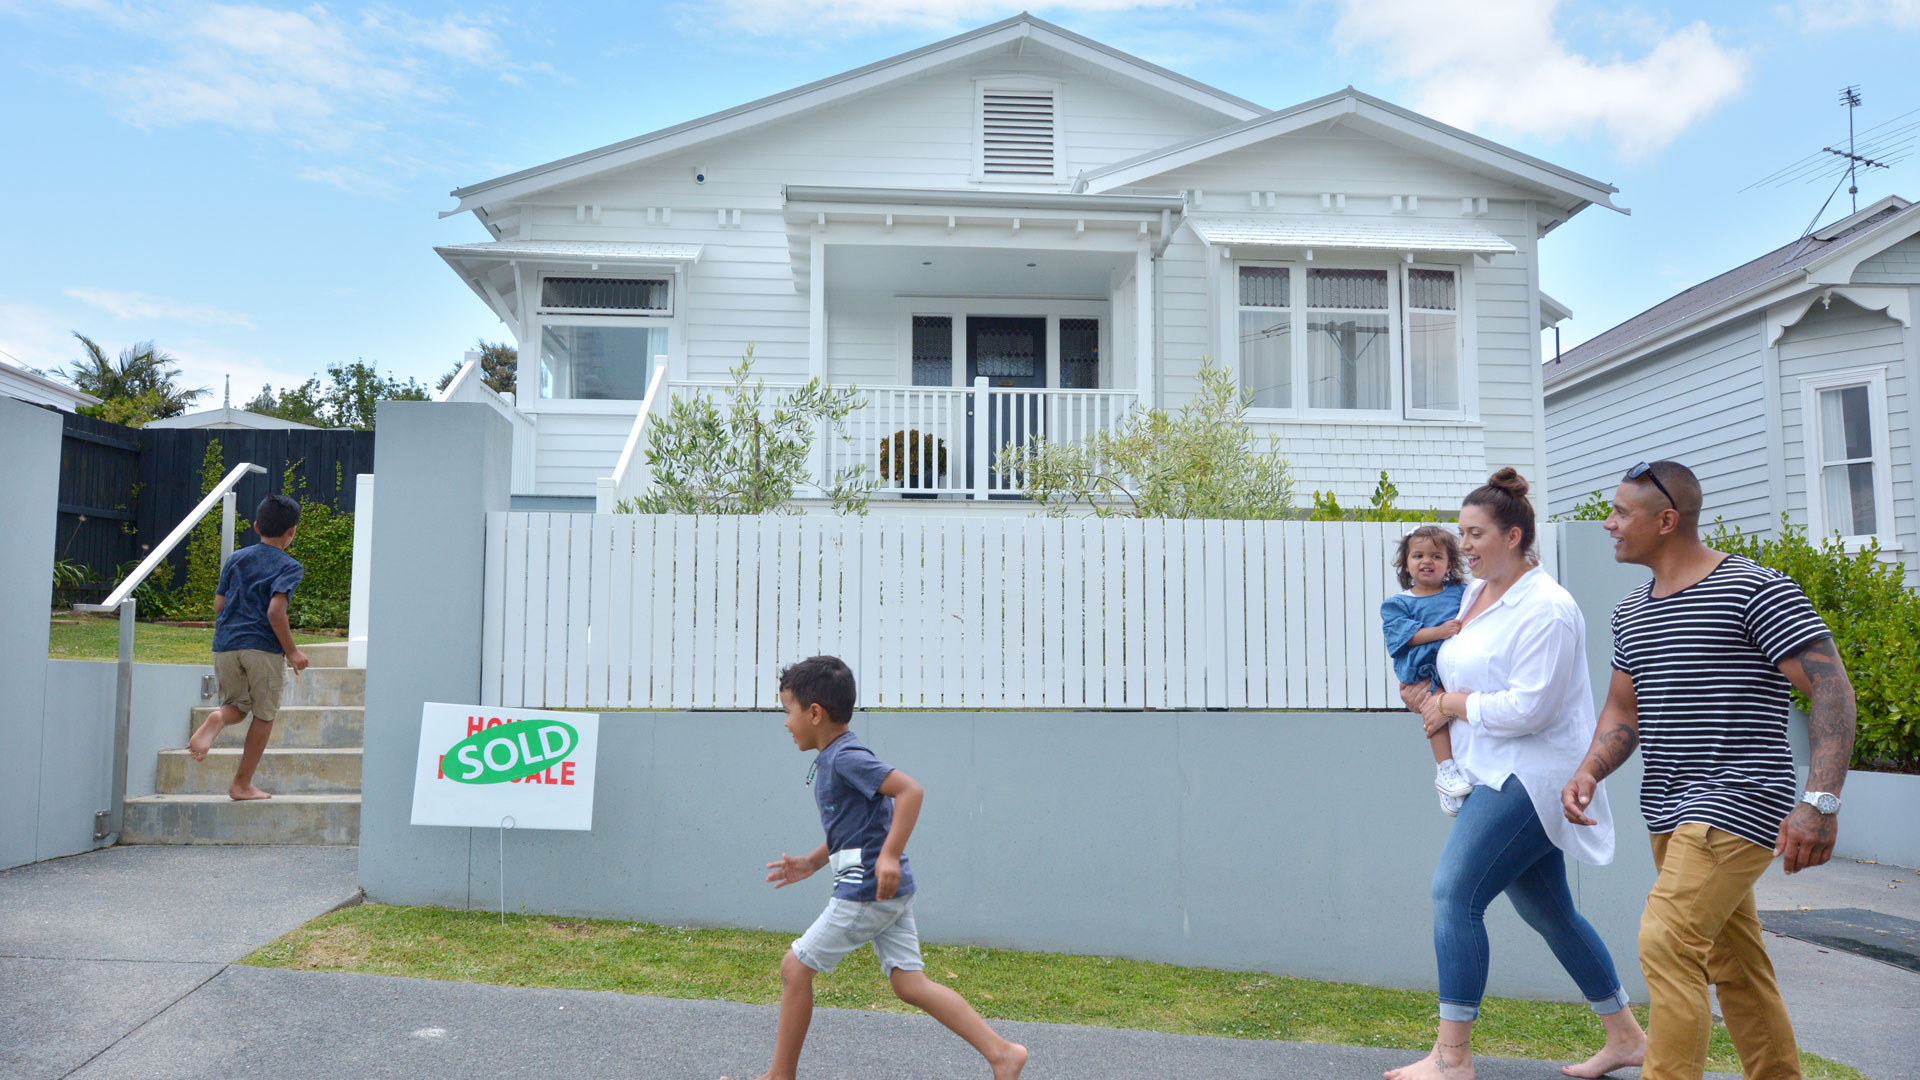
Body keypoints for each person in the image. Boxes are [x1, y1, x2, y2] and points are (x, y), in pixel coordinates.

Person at [1561, 460, 1855, 1080]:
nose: (1607, 523)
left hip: (1738, 799)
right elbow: (1623, 707)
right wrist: (1591, 769)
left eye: (1620, 512)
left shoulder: (1756, 589)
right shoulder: (1631, 611)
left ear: (1667, 521)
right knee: (1736, 964)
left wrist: (1820, 802)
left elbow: (1831, 689)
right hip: (1667, 807)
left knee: (1666, 941)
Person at [1389, 469, 1647, 1080]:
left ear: (1513, 534)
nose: (1464, 546)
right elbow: (1451, 664)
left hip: (1532, 778)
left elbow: (1531, 708)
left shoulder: (1548, 609)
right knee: (1549, 912)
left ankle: (1452, 1058)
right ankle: (1627, 1037)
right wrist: (1426, 696)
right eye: (1462, 534)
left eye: (1475, 535)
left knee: (1454, 895)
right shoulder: (1477, 598)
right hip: (1493, 770)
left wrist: (1450, 705)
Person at [723, 656, 1027, 1080]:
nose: (785, 722)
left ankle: (779, 1077)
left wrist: (887, 855)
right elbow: (853, 826)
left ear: (814, 713)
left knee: (794, 968)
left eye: (787, 711)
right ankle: (1002, 1053)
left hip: (866, 890)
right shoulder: (834, 758)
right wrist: (812, 862)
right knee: (909, 984)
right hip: (890, 892)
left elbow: (910, 790)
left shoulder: (845, 756)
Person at [186, 493, 310, 800]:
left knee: (236, 707)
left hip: (225, 645)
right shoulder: (290, 566)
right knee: (264, 715)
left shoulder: (236, 559)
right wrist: (292, 651)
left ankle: (218, 719)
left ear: (256, 526)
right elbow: (274, 611)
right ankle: (241, 784)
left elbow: (219, 605)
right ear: (292, 531)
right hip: (262, 649)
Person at [1380, 525, 1475, 815]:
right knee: (1435, 711)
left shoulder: (1462, 592)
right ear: (1406, 564)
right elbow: (1402, 637)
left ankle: (1456, 778)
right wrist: (1440, 631)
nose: (1426, 561)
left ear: (1449, 564)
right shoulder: (1397, 603)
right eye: (1418, 555)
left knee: (1457, 716)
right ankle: (1445, 769)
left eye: (1436, 556)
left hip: (1457, 668)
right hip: (1422, 668)